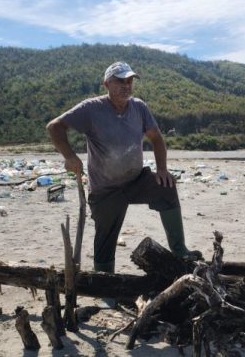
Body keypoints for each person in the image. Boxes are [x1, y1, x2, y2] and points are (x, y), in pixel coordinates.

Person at [46, 61, 201, 273]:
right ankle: (106, 281)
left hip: (136, 180)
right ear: (106, 84)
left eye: (129, 81)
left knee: (167, 187)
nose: (126, 85)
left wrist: (162, 169)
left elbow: (156, 138)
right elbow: (55, 127)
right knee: (105, 240)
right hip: (105, 189)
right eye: (120, 81)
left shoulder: (139, 107)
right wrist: (69, 156)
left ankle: (180, 250)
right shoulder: (91, 109)